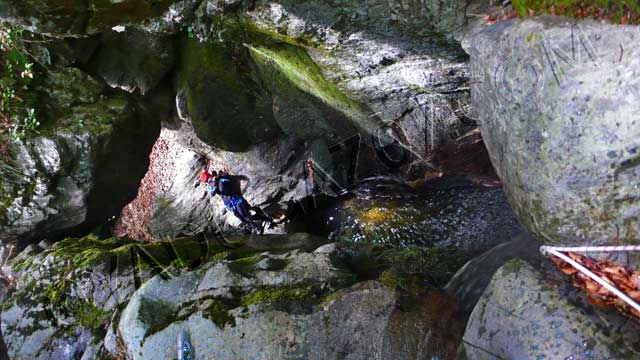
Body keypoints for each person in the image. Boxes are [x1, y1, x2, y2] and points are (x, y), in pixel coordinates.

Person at [199, 167, 274, 234]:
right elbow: (212, 193)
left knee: (246, 216)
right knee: (242, 218)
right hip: (229, 204)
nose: (209, 181)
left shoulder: (222, 178)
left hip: (235, 199)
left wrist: (221, 176)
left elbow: (233, 180)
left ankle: (265, 220)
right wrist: (215, 183)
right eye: (207, 180)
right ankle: (256, 226)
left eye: (209, 179)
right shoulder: (211, 184)